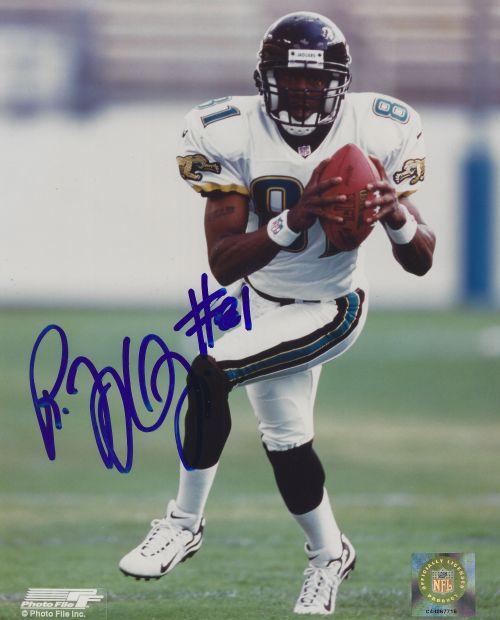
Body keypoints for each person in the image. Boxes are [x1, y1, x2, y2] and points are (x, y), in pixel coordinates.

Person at [119, 11, 435, 616]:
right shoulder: (227, 131)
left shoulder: (381, 128)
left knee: (211, 372)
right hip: (260, 301)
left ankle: (183, 524)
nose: (305, 91)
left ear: (340, 84)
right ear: (266, 79)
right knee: (287, 444)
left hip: (331, 305)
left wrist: (396, 215)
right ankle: (329, 555)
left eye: (318, 81)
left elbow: (421, 260)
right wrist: (298, 216)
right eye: (292, 78)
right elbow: (224, 264)